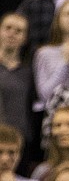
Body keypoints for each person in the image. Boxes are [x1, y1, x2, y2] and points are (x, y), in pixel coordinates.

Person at [0, 13, 32, 143]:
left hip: (20, 141)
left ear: (25, 38)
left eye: (18, 31)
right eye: (8, 28)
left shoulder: (29, 73)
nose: (12, 33)